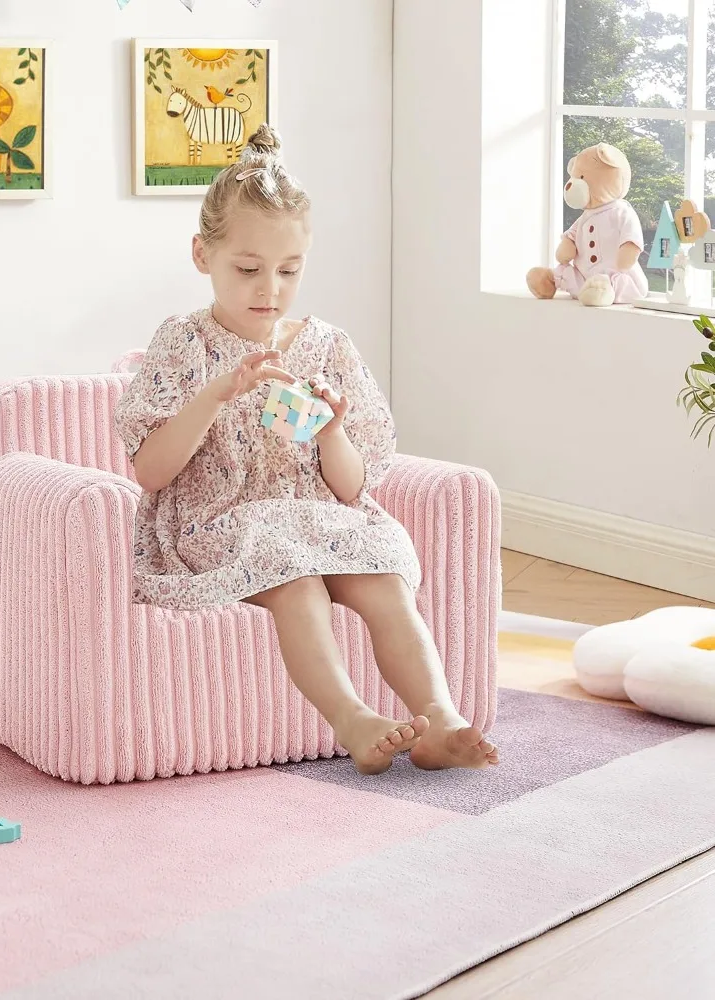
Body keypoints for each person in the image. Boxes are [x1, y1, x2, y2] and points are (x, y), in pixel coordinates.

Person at [114, 124, 498, 776]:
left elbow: (352, 490)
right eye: (248, 269)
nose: (269, 289)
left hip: (318, 518)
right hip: (218, 522)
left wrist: (331, 432)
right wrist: (216, 394)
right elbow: (149, 471)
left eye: (289, 271)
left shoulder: (327, 346)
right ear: (202, 255)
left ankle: (439, 718)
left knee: (385, 579)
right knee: (295, 580)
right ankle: (354, 718)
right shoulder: (182, 342)